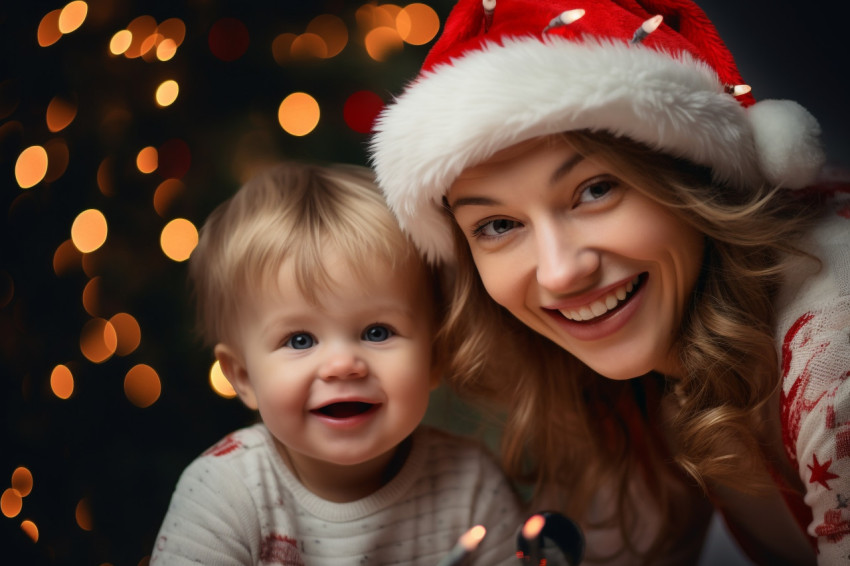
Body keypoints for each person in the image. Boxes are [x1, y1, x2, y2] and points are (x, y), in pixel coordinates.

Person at [370, 0, 849, 564]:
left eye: (595, 190)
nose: (560, 271)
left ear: (693, 174)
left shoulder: (833, 349)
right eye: (498, 225)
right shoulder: (651, 360)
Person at [149, 162, 524, 565]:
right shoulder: (225, 493)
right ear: (243, 377)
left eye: (377, 332)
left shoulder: (471, 484)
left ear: (435, 355)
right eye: (300, 340)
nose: (343, 365)